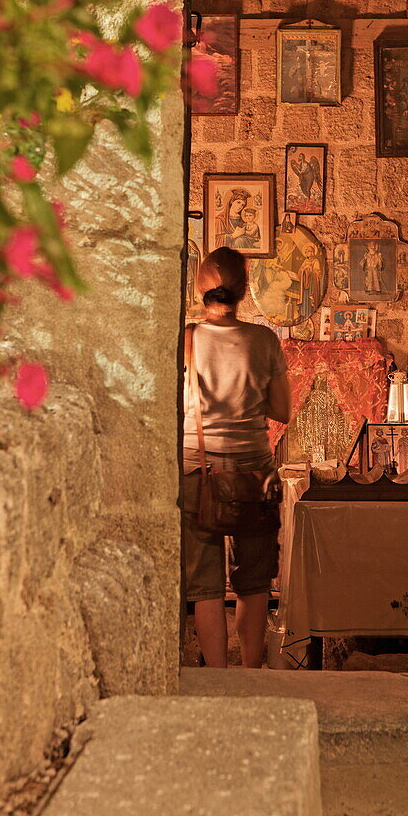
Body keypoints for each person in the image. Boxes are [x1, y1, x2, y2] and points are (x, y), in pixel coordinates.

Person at [182, 248, 292, 668]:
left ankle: (217, 679)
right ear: (245, 290)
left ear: (199, 290)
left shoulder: (187, 339)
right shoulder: (263, 340)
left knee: (206, 586)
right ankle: (251, 674)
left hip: (198, 471)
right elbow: (281, 410)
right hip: (253, 474)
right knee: (254, 581)